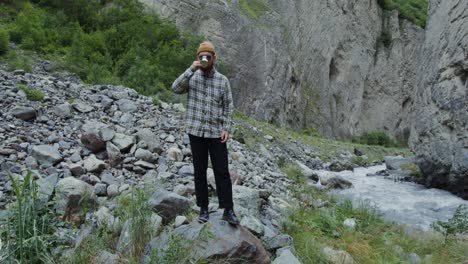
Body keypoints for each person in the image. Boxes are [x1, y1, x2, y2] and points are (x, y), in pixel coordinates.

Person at [172, 41, 238, 225]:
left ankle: (228, 209)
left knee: (222, 171)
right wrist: (191, 69)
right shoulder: (192, 77)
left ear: (214, 58)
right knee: (199, 171)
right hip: (196, 132)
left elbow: (228, 106)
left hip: (217, 133)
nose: (205, 59)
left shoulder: (222, 81)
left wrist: (227, 128)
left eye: (209, 56)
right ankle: (203, 208)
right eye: (202, 56)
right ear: (198, 57)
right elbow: (175, 88)